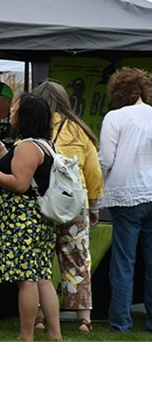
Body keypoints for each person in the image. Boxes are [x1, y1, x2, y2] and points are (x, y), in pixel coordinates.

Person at [0, 93, 62, 342]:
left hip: (23, 220)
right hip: (39, 219)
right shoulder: (44, 144)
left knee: (26, 279)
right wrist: (2, 150)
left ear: (25, 116)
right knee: (43, 276)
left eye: (15, 109)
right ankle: (55, 335)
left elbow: (20, 183)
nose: (11, 112)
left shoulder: (26, 147)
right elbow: (23, 171)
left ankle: (26, 335)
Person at [31, 79, 103, 334]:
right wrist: (93, 205)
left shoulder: (35, 126)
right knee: (78, 261)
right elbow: (93, 172)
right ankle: (84, 319)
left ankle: (40, 317)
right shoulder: (79, 129)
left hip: (42, 203)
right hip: (74, 205)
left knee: (40, 261)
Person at [98, 67, 152, 333]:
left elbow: (106, 159)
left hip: (126, 195)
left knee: (123, 263)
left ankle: (121, 322)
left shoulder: (114, 117)